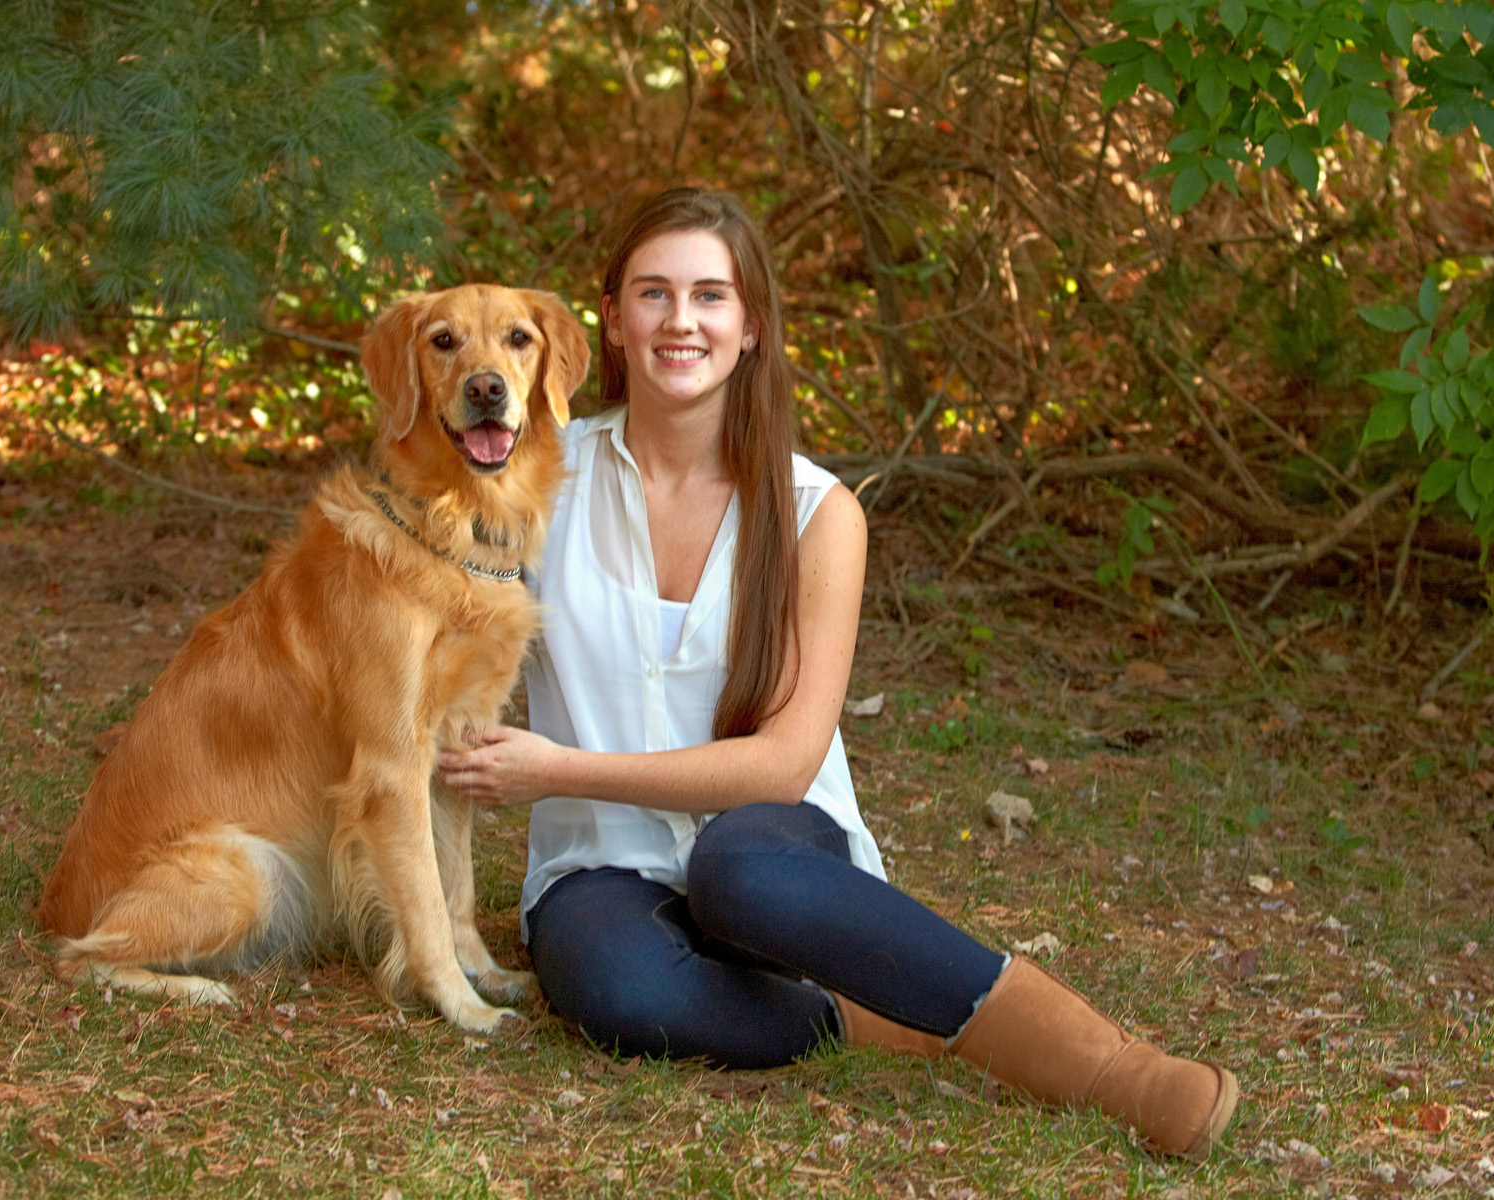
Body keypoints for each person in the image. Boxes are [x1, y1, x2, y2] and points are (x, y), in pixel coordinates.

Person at [437, 189, 1238, 1158]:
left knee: (736, 866)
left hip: (772, 856)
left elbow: (781, 766)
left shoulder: (818, 512)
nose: (679, 321)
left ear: (751, 327)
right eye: (652, 294)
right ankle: (868, 1017)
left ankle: (1113, 1070)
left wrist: (554, 770)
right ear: (611, 318)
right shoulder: (537, 482)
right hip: (597, 865)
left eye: (709, 297)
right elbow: (413, 604)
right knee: (623, 994)